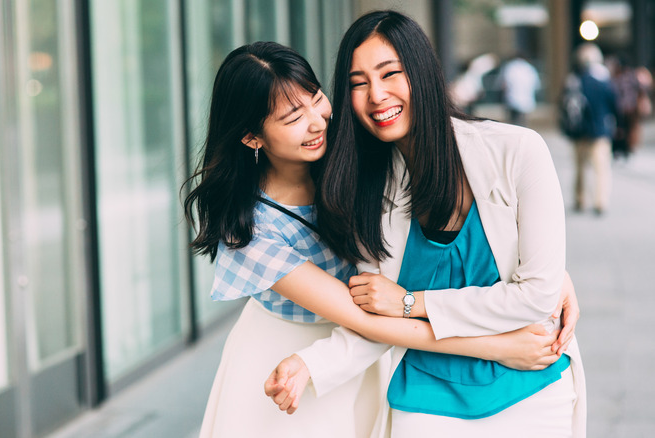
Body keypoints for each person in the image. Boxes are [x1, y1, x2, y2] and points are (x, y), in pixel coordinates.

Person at [184, 41, 579, 438]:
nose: (317, 123)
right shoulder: (249, 231)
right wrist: (498, 345)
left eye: (316, 99)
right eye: (293, 117)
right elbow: (369, 316)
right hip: (294, 357)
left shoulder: (347, 160)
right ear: (252, 137)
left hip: (370, 349)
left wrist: (548, 277)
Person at [570, 43, 617, 215]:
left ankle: (580, 199)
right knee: (601, 168)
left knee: (580, 167)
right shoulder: (603, 80)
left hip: (579, 130)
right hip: (600, 129)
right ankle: (600, 201)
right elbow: (614, 103)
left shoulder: (574, 80)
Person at [609, 54, 648, 159]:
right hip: (630, 107)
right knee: (628, 129)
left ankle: (621, 148)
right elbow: (641, 89)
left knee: (621, 129)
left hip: (621, 108)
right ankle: (625, 148)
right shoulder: (632, 76)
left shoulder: (617, 77)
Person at [498, 53, 540, 126]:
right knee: (523, 121)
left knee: (513, 123)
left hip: (512, 99)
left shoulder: (510, 67)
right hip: (526, 99)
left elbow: (504, 84)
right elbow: (536, 84)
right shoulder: (529, 68)